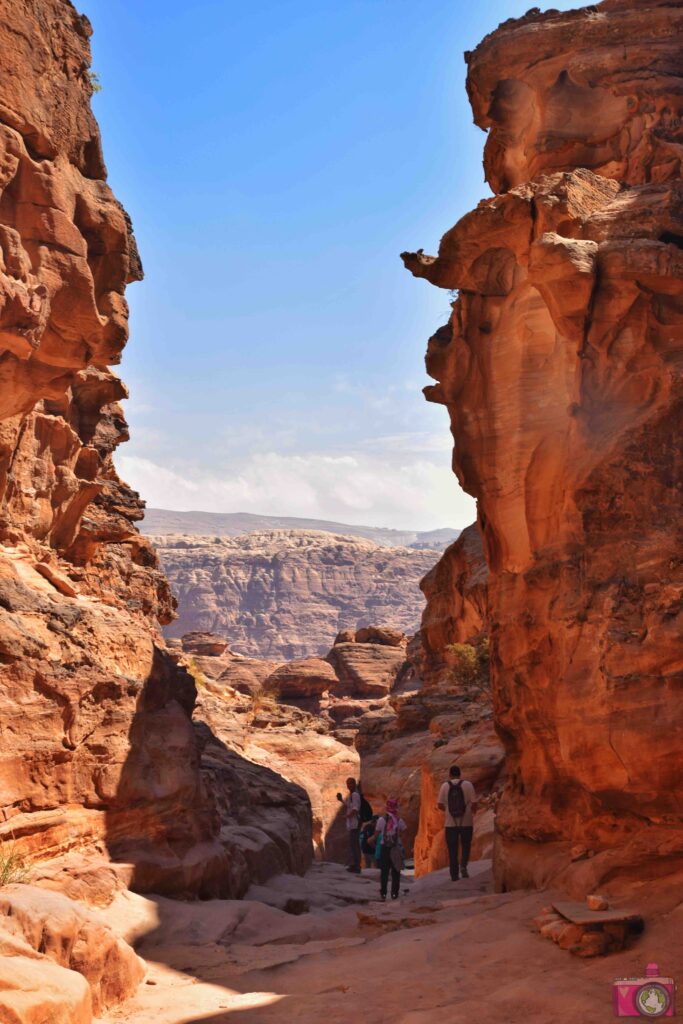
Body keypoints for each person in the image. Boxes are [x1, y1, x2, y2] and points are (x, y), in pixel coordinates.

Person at [437, 765, 477, 881]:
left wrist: (449, 811)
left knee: (452, 849)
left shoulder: (445, 786)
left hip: (450, 824)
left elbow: (439, 804)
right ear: (460, 774)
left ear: (450, 775)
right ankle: (463, 866)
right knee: (466, 845)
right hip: (466, 821)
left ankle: (454, 875)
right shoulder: (468, 785)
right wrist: (471, 812)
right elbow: (474, 803)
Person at [373, 798, 406, 900]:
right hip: (395, 848)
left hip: (385, 848)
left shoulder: (381, 820)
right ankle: (394, 893)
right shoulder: (399, 820)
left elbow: (376, 833)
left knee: (384, 872)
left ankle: (383, 893)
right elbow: (404, 830)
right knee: (396, 871)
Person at [337, 777, 361, 873]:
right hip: (353, 824)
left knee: (354, 845)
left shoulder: (355, 795)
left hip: (355, 823)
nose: (348, 786)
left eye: (350, 783)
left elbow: (355, 809)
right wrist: (341, 800)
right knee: (353, 844)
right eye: (347, 784)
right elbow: (350, 806)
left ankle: (356, 866)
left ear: (354, 784)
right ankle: (354, 865)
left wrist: (347, 816)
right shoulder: (352, 795)